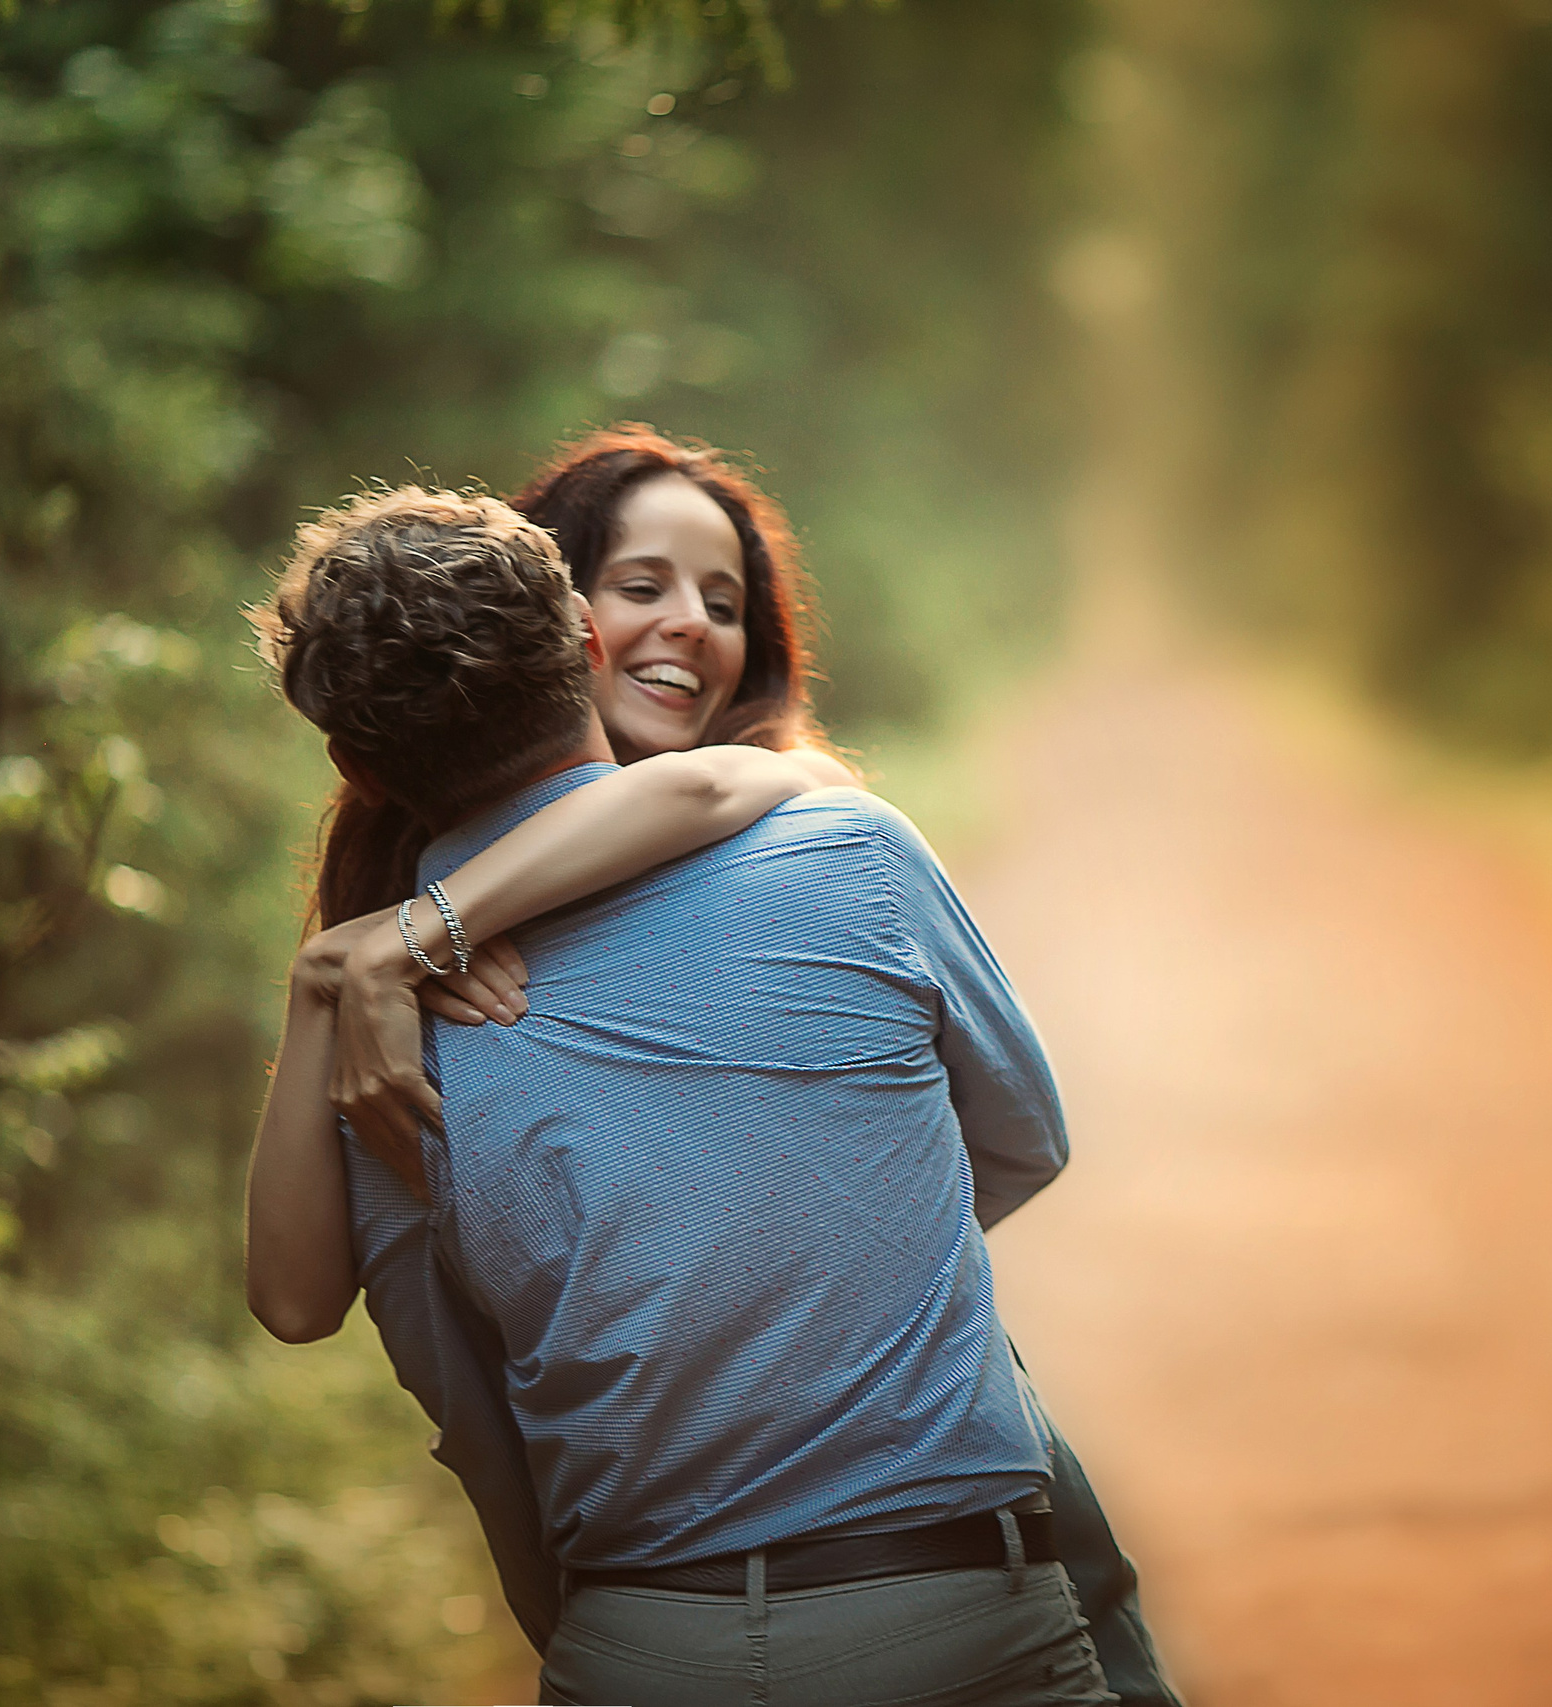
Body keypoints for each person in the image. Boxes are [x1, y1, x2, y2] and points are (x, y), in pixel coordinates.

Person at [258, 430, 1181, 1707]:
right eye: (641, 589)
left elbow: (457, 1405)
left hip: (641, 1638)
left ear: (353, 760)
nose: (686, 627)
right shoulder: (841, 848)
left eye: (723, 599)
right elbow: (1022, 1136)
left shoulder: (386, 1035)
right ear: (579, 634)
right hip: (949, 1596)